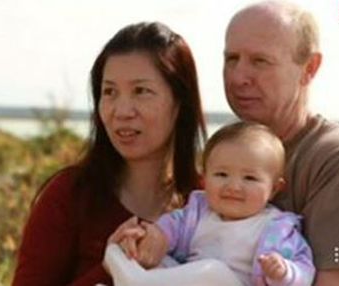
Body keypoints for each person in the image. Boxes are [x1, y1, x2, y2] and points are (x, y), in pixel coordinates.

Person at [222, 1, 339, 286]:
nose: (238, 77)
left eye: (260, 61)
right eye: (232, 58)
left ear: (309, 67)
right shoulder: (228, 153)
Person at [12, 21, 207, 286]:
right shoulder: (69, 196)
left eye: (141, 91)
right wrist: (112, 266)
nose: (122, 110)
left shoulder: (211, 202)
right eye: (109, 92)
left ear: (180, 103)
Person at [118, 122, 315, 286]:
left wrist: (284, 273)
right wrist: (152, 238)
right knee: (152, 265)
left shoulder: (278, 229)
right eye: (221, 174)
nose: (234, 186)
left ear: (273, 189)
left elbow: (305, 271)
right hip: (188, 280)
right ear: (204, 180)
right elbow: (166, 230)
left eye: (250, 178)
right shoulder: (195, 214)